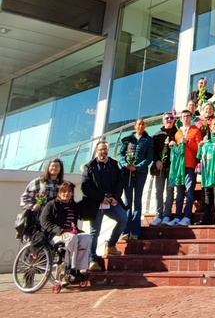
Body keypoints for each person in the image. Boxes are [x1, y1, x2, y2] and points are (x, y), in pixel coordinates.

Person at [81, 140, 127, 272]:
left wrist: (115, 197)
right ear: (96, 151)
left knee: (123, 219)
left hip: (111, 202)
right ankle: (92, 259)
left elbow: (120, 183)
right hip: (96, 203)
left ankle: (111, 245)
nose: (104, 152)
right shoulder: (89, 167)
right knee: (95, 232)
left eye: (106, 149)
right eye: (101, 149)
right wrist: (101, 198)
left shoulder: (113, 164)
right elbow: (85, 187)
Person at [40, 181, 92, 278]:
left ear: (72, 193)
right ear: (59, 193)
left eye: (69, 192)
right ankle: (69, 269)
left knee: (86, 238)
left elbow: (81, 217)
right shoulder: (51, 205)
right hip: (54, 235)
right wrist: (61, 231)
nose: (66, 194)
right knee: (72, 238)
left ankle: (80, 269)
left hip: (71, 234)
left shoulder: (74, 206)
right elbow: (44, 222)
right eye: (64, 192)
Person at [117, 118, 154, 240]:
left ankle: (135, 231)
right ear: (135, 126)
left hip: (140, 173)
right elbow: (120, 154)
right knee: (127, 201)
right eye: (139, 124)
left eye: (143, 124)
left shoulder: (148, 140)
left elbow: (149, 157)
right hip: (127, 173)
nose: (141, 126)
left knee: (137, 202)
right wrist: (126, 165)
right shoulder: (127, 139)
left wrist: (137, 167)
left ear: (145, 126)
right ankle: (125, 231)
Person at [170, 108, 203, 226]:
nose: (185, 118)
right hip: (179, 167)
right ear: (181, 118)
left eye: (188, 116)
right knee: (179, 193)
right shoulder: (178, 132)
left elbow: (199, 149)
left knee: (189, 192)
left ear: (191, 118)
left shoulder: (196, 131)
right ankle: (178, 216)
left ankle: (187, 216)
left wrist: (188, 142)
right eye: (183, 116)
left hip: (190, 165)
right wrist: (173, 145)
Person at [151, 113, 179, 226]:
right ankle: (159, 215)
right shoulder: (157, 135)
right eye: (167, 118)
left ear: (174, 120)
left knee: (170, 191)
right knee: (158, 191)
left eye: (171, 118)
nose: (169, 120)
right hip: (160, 167)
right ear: (163, 120)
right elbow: (152, 151)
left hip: (172, 167)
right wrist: (157, 160)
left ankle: (167, 215)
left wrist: (175, 145)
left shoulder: (178, 133)